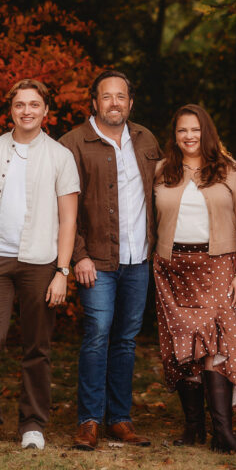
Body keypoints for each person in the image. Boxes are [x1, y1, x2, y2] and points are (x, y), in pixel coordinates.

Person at [0, 78, 79, 452]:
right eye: (20, 104)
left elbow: (69, 219)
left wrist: (62, 270)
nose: (27, 111)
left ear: (45, 111)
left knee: (37, 346)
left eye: (34, 104)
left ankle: (33, 424)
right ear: (11, 110)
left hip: (41, 262)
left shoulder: (60, 156)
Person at [60, 69, 161, 450]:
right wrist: (79, 255)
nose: (114, 103)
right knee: (98, 335)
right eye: (107, 96)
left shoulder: (146, 139)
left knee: (126, 340)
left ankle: (119, 418)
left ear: (130, 102)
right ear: (94, 102)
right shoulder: (72, 143)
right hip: (96, 261)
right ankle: (89, 420)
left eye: (121, 96)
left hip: (139, 259)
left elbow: (165, 188)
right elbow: (65, 206)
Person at [153, 104, 236, 455]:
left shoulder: (231, 172)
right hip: (171, 266)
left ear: (207, 132)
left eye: (195, 129)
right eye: (182, 130)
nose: (189, 136)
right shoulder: (161, 171)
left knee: (216, 342)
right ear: (174, 135)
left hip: (219, 265)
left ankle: (222, 433)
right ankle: (193, 427)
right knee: (183, 344)